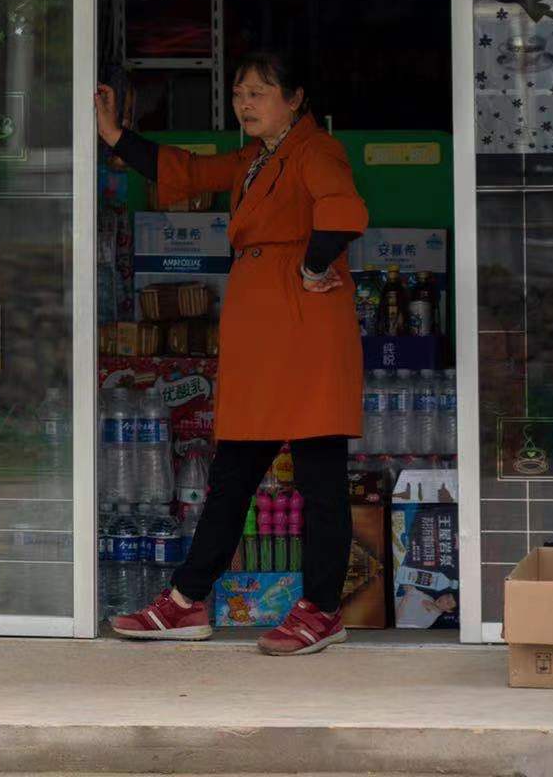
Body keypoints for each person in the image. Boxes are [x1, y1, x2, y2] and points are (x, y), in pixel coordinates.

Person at [96, 51, 369, 656]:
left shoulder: (316, 150)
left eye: (259, 92)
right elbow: (188, 173)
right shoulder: (256, 157)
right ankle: (188, 599)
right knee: (232, 474)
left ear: (295, 99)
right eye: (240, 93)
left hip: (305, 330)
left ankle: (323, 609)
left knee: (319, 476)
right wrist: (114, 135)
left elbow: (343, 212)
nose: (245, 103)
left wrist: (314, 265)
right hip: (261, 334)